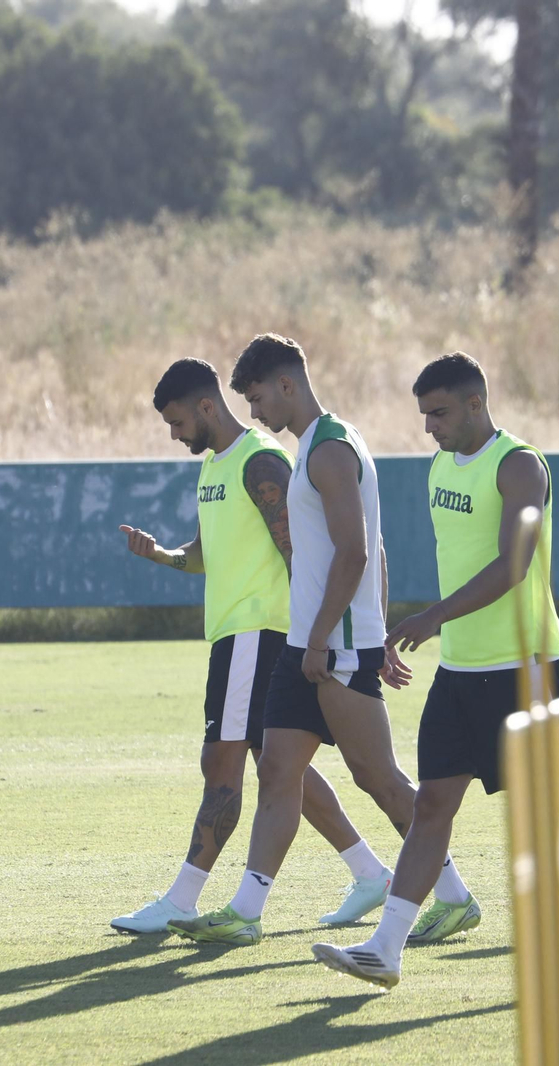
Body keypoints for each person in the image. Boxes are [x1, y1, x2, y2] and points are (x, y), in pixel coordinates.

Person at [311, 352, 559, 991]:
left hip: (523, 671)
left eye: (440, 413)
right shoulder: (439, 465)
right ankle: (385, 949)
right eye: (425, 415)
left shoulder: (519, 465)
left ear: (476, 403)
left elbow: (513, 564)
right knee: (431, 806)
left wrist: (433, 617)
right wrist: (410, 630)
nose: (429, 427)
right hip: (459, 673)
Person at [168, 335, 473, 945]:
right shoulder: (313, 445)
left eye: (258, 399)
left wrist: (341, 640)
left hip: (332, 649)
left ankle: (454, 896)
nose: (255, 413)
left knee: (379, 779)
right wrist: (348, 635)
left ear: (287, 385)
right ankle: (246, 912)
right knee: (278, 771)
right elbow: (373, 548)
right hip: (309, 646)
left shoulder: (331, 449)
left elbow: (356, 553)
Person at [110, 358, 394, 934]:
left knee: (222, 762)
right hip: (240, 634)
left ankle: (183, 899)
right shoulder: (215, 464)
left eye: (177, 422)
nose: (175, 434)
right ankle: (370, 874)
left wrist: (315, 636)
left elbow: (303, 552)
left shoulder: (261, 459)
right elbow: (203, 553)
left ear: (206, 407)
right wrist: (161, 554)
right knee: (279, 768)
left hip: (258, 632)